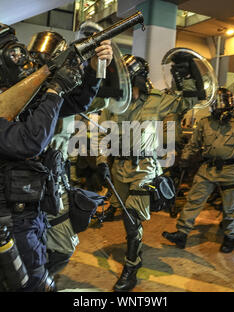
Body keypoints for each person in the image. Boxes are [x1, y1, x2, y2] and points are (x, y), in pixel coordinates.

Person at [0, 20, 110, 292]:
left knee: (20, 284)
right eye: (13, 56)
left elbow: (78, 102)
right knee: (33, 286)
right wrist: (53, 90)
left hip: (31, 211)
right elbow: (29, 142)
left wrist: (94, 66)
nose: (21, 60)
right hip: (6, 220)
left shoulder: (22, 98)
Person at [95, 53, 202, 292]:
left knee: (133, 218)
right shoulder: (113, 102)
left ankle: (131, 266)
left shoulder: (157, 100)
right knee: (125, 216)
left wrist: (186, 74)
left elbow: (190, 100)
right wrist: (102, 161)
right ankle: (136, 250)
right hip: (119, 168)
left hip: (144, 168)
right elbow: (102, 133)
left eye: (125, 78)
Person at [162, 88, 234, 253]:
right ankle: (182, 233)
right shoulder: (205, 122)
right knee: (194, 200)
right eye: (215, 105)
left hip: (229, 169)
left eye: (221, 105)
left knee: (230, 207)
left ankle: (230, 237)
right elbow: (194, 143)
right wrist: (184, 158)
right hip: (207, 168)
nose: (218, 108)